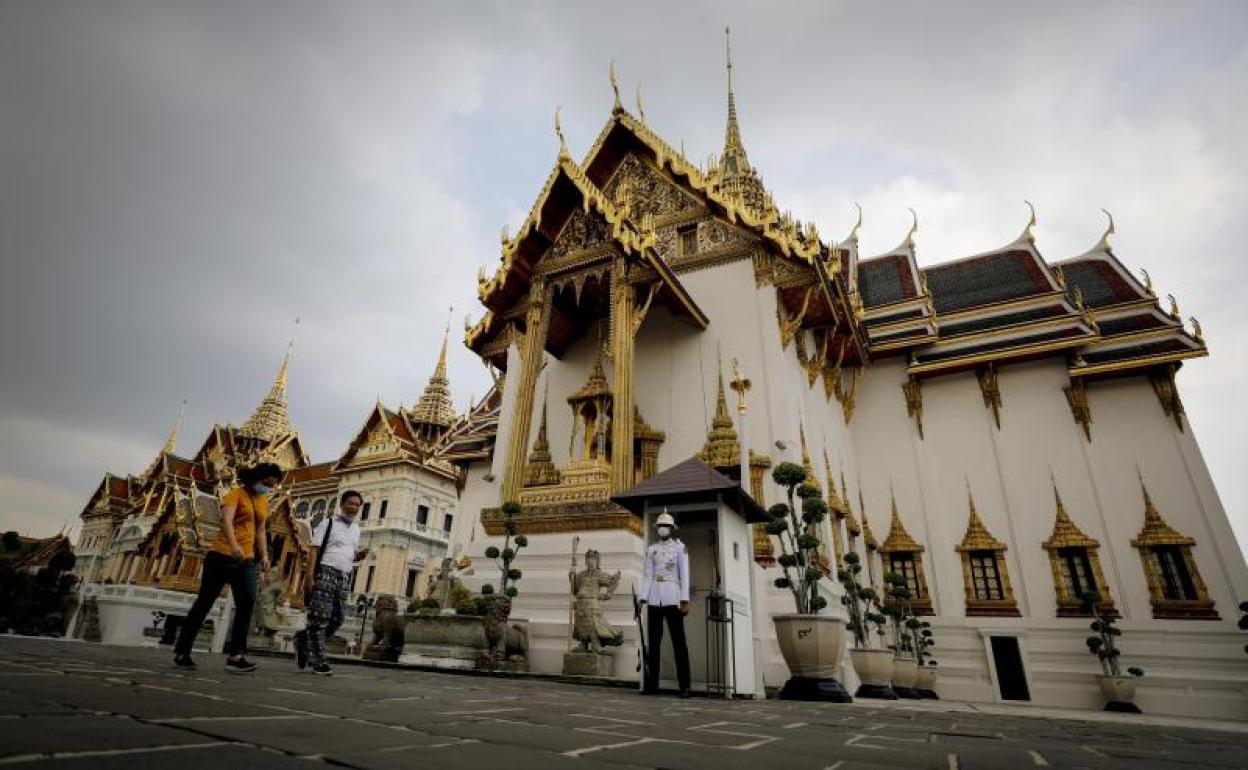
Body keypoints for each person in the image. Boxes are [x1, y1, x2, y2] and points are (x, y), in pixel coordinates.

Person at [173, 462, 281, 673]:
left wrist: (265, 556)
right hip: (222, 556)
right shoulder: (235, 494)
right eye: (266, 483)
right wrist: (233, 545)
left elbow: (260, 530)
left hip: (246, 560)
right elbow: (226, 520)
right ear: (256, 478)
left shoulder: (263, 501)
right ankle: (182, 651)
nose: (268, 488)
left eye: (272, 485)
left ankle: (236, 655)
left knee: (247, 603)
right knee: (204, 603)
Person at [294, 490, 368, 675]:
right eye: (351, 503)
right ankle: (318, 661)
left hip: (344, 575)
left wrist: (357, 556)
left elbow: (346, 554)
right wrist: (309, 578)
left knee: (338, 618)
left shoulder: (356, 530)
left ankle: (303, 638)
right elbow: (314, 551)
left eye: (357, 505)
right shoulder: (328, 523)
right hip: (325, 571)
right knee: (319, 619)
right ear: (342, 504)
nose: (354, 507)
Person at [638, 511, 691, 697]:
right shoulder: (652, 549)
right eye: (660, 526)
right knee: (653, 643)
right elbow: (648, 575)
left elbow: (684, 575)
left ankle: (685, 686)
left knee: (679, 643)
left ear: (671, 528)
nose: (662, 529)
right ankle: (652, 685)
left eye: (666, 526)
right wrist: (642, 597)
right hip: (654, 598)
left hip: (673, 598)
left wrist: (685, 600)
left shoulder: (679, 548)